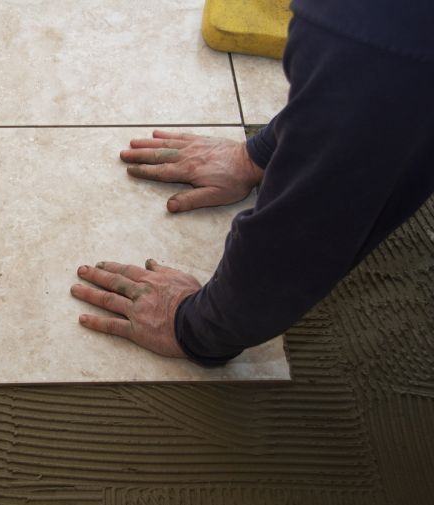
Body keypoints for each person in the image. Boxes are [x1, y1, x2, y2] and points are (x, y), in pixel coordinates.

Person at [70, 0, 434, 366]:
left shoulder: (370, 21)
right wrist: (259, 154)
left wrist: (197, 327)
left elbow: (312, 224)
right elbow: (364, 85)